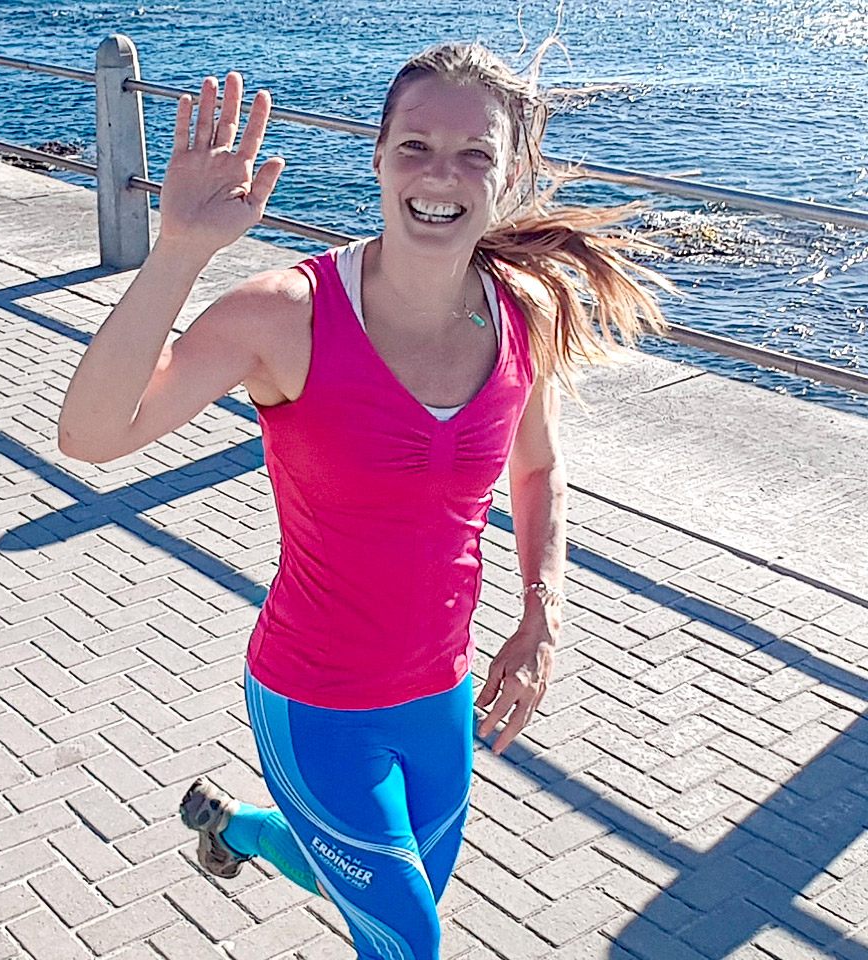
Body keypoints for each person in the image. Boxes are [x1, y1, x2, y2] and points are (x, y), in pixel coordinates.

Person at [59, 42, 667, 960]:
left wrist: (542, 618)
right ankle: (270, 828)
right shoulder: (285, 316)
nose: (440, 176)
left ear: (509, 177)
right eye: (416, 146)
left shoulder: (524, 309)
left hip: (442, 695)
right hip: (314, 699)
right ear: (377, 157)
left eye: (475, 155)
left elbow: (536, 469)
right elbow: (93, 435)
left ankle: (252, 832)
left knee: (382, 884)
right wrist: (181, 250)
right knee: (408, 937)